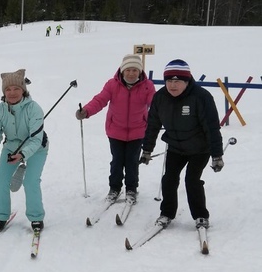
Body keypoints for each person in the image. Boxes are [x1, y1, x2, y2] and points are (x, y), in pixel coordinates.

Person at [140, 59, 224, 228]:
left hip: (200, 148)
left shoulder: (201, 97)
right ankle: (167, 213)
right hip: (176, 147)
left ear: (187, 81)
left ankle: (201, 216)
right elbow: (153, 125)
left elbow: (212, 128)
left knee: (192, 181)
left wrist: (217, 155)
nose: (173, 85)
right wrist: (147, 150)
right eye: (169, 81)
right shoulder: (160, 97)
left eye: (177, 81)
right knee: (169, 179)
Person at [77, 54, 156, 204]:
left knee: (132, 162)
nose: (131, 73)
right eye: (128, 70)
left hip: (138, 130)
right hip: (116, 130)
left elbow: (156, 104)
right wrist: (86, 111)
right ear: (122, 70)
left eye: (134, 70)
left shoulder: (147, 86)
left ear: (139, 72)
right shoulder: (112, 85)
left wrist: (166, 116)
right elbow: (100, 100)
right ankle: (114, 188)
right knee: (117, 161)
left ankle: (131, 189)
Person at [0, 68, 48, 233]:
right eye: (8, 89)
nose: (12, 93)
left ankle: (36, 217)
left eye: (16, 89)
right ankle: (1, 216)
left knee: (31, 181)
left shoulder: (34, 109)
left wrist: (23, 154)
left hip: (37, 148)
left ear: (23, 90)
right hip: (12, 146)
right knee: (0, 181)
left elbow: (35, 139)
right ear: (4, 92)